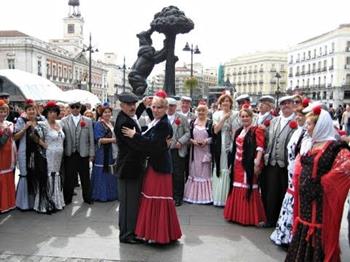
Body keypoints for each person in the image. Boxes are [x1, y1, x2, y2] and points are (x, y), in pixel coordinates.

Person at [286, 105, 350, 262]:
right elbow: (300, 164)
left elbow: (346, 166)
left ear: (320, 125)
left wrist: (323, 182)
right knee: (303, 227)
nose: (306, 128)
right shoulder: (311, 143)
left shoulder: (335, 147)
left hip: (320, 204)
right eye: (306, 124)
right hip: (305, 201)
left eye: (310, 124)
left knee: (315, 231)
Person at [122, 90, 182, 244]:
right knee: (151, 197)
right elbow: (148, 135)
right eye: (154, 107)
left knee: (157, 199)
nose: (155, 110)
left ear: (165, 109)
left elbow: (152, 146)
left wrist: (134, 135)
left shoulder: (163, 125)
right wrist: (143, 108)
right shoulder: (156, 122)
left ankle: (159, 234)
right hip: (156, 165)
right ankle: (153, 233)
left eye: (159, 108)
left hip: (160, 167)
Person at [270, 102, 308, 246]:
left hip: (298, 174)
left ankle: (293, 237)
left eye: (301, 115)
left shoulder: (307, 135)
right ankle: (285, 234)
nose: (298, 118)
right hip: (290, 172)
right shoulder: (299, 131)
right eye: (297, 115)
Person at [114, 92, 148, 244]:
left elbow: (134, 118)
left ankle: (130, 232)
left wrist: (142, 106)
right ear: (122, 106)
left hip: (132, 167)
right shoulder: (124, 123)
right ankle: (126, 235)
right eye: (129, 104)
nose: (132, 107)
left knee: (132, 203)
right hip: (129, 168)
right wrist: (150, 143)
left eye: (134, 104)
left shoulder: (127, 118)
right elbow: (138, 145)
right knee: (128, 204)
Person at [224, 107, 266, 226]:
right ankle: (236, 215)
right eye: (242, 116)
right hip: (237, 165)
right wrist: (231, 164)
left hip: (248, 165)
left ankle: (248, 217)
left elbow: (260, 147)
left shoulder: (256, 130)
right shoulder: (238, 131)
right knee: (236, 187)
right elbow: (234, 149)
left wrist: (257, 163)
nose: (245, 118)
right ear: (240, 118)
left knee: (248, 187)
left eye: (247, 116)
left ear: (251, 117)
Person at [261, 95, 296, 227]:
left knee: (284, 193)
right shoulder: (274, 121)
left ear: (293, 105)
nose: (286, 105)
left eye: (288, 103)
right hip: (271, 162)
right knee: (271, 193)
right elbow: (267, 138)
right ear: (279, 106)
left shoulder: (296, 122)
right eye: (283, 103)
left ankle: (282, 222)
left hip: (287, 164)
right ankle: (270, 219)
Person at [32, 101, 65, 213]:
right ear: (47, 113)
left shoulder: (60, 124)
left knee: (56, 175)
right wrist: (43, 144)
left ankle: (57, 201)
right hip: (49, 155)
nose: (53, 114)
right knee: (49, 175)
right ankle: (47, 203)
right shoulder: (43, 124)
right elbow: (33, 135)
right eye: (51, 112)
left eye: (55, 112)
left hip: (59, 156)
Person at [61, 101, 94, 205]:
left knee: (85, 177)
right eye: (72, 107)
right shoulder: (63, 120)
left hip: (83, 153)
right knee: (69, 177)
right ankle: (68, 198)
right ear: (70, 108)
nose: (75, 109)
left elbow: (91, 138)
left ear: (80, 108)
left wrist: (92, 153)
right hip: (70, 153)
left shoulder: (88, 121)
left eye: (77, 107)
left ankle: (87, 198)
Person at [212, 94, 240, 206]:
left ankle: (229, 197)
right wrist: (224, 117)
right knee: (221, 166)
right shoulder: (216, 114)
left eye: (228, 101)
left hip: (233, 143)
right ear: (220, 103)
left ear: (231, 103)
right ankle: (219, 197)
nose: (225, 103)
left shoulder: (236, 114)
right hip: (220, 143)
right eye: (223, 101)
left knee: (230, 167)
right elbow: (215, 130)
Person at [183, 102, 213, 204]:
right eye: (199, 110)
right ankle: (193, 196)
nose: (201, 112)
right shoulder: (192, 123)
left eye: (203, 110)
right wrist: (193, 141)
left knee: (205, 172)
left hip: (206, 151)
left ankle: (206, 197)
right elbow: (189, 136)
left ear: (207, 111)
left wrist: (206, 141)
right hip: (195, 152)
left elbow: (214, 138)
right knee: (194, 171)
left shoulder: (210, 123)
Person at [14, 99, 40, 210]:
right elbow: (15, 137)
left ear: (36, 110)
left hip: (38, 153)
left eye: (33, 109)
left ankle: (36, 202)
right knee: (25, 175)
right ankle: (24, 203)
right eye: (29, 109)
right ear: (26, 111)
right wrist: (25, 127)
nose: (31, 111)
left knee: (36, 176)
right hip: (25, 152)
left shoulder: (41, 120)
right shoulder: (21, 120)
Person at [91, 103, 118, 202]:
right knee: (102, 171)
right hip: (102, 152)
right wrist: (113, 140)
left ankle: (111, 193)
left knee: (110, 170)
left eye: (109, 112)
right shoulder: (99, 124)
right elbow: (99, 139)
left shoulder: (112, 123)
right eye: (105, 112)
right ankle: (100, 194)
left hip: (111, 151)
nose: (107, 114)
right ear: (101, 114)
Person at [166, 97, 190, 206]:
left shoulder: (181, 118)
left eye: (172, 106)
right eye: (168, 105)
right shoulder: (162, 117)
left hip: (178, 150)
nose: (170, 108)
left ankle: (178, 197)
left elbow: (188, 133)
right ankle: (169, 195)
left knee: (178, 174)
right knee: (167, 174)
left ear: (176, 107)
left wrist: (180, 142)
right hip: (165, 151)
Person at [0, 99, 16, 213]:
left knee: (8, 176)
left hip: (9, 155)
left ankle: (8, 203)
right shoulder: (7, 126)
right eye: (1, 110)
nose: (3, 113)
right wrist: (6, 133)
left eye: (5, 110)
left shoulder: (8, 123)